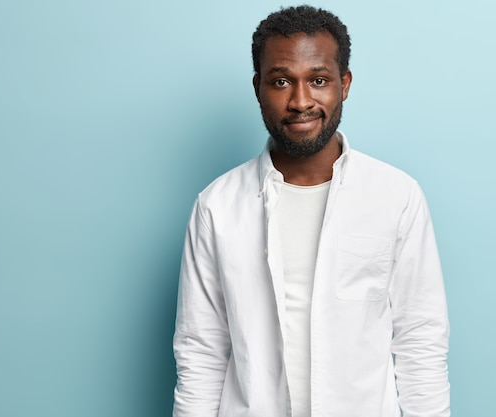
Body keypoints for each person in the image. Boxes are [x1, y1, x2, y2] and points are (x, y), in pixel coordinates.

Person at [172, 5, 450, 417]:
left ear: (345, 83)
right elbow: (201, 349)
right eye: (281, 81)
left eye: (318, 80)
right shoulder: (217, 206)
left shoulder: (396, 195)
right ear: (258, 87)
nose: (301, 101)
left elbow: (421, 339)